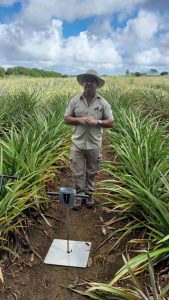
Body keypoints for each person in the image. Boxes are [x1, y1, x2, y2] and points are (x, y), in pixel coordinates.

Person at [64, 69, 114, 210]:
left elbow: (111, 122)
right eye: (87, 80)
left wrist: (97, 122)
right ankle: (79, 197)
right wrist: (79, 120)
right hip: (77, 143)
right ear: (83, 83)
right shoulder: (74, 101)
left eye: (92, 81)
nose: (89, 83)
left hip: (94, 143)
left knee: (92, 172)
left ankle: (89, 195)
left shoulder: (103, 103)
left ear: (96, 84)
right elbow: (66, 119)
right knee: (78, 172)